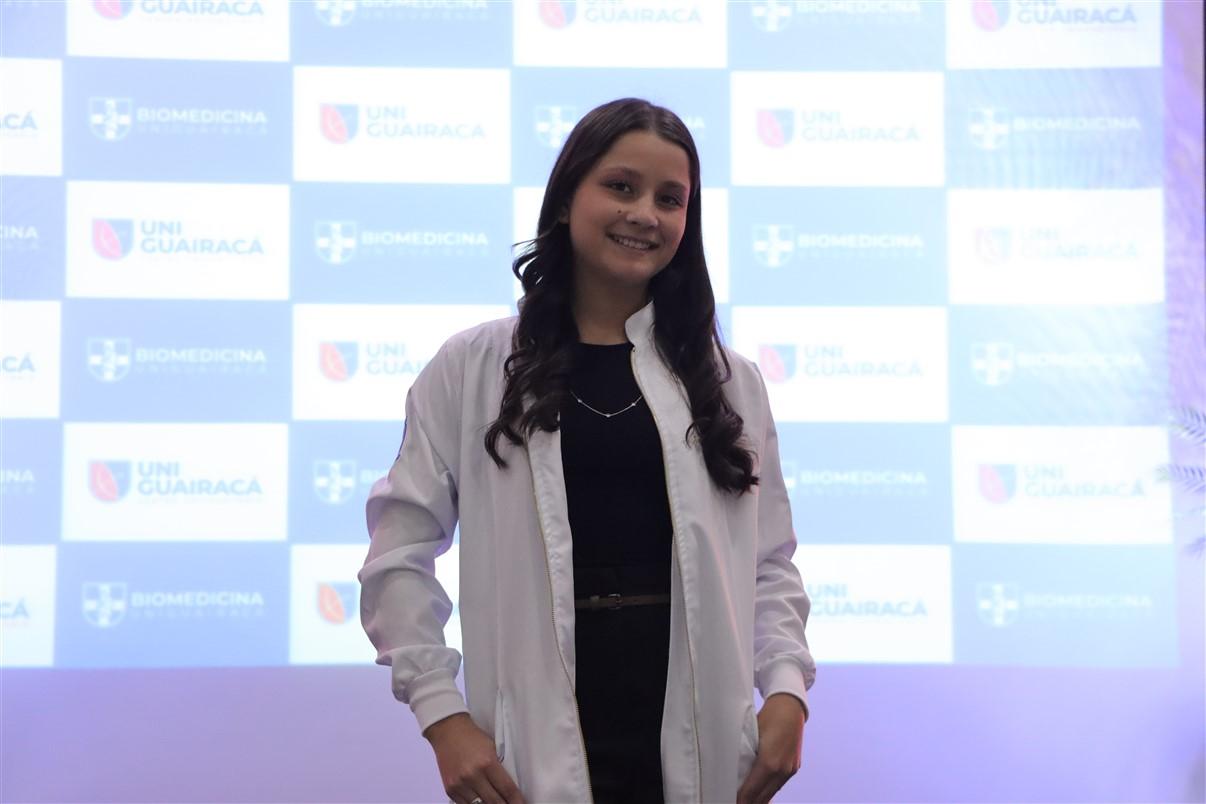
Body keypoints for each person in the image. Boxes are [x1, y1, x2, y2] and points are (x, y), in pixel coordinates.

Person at [359, 97, 815, 804]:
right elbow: (397, 559)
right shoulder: (473, 367)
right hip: (532, 746)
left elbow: (769, 562)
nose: (645, 214)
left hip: (695, 736)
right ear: (568, 197)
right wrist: (442, 716)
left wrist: (786, 688)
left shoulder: (729, 382)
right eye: (621, 186)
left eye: (670, 199)